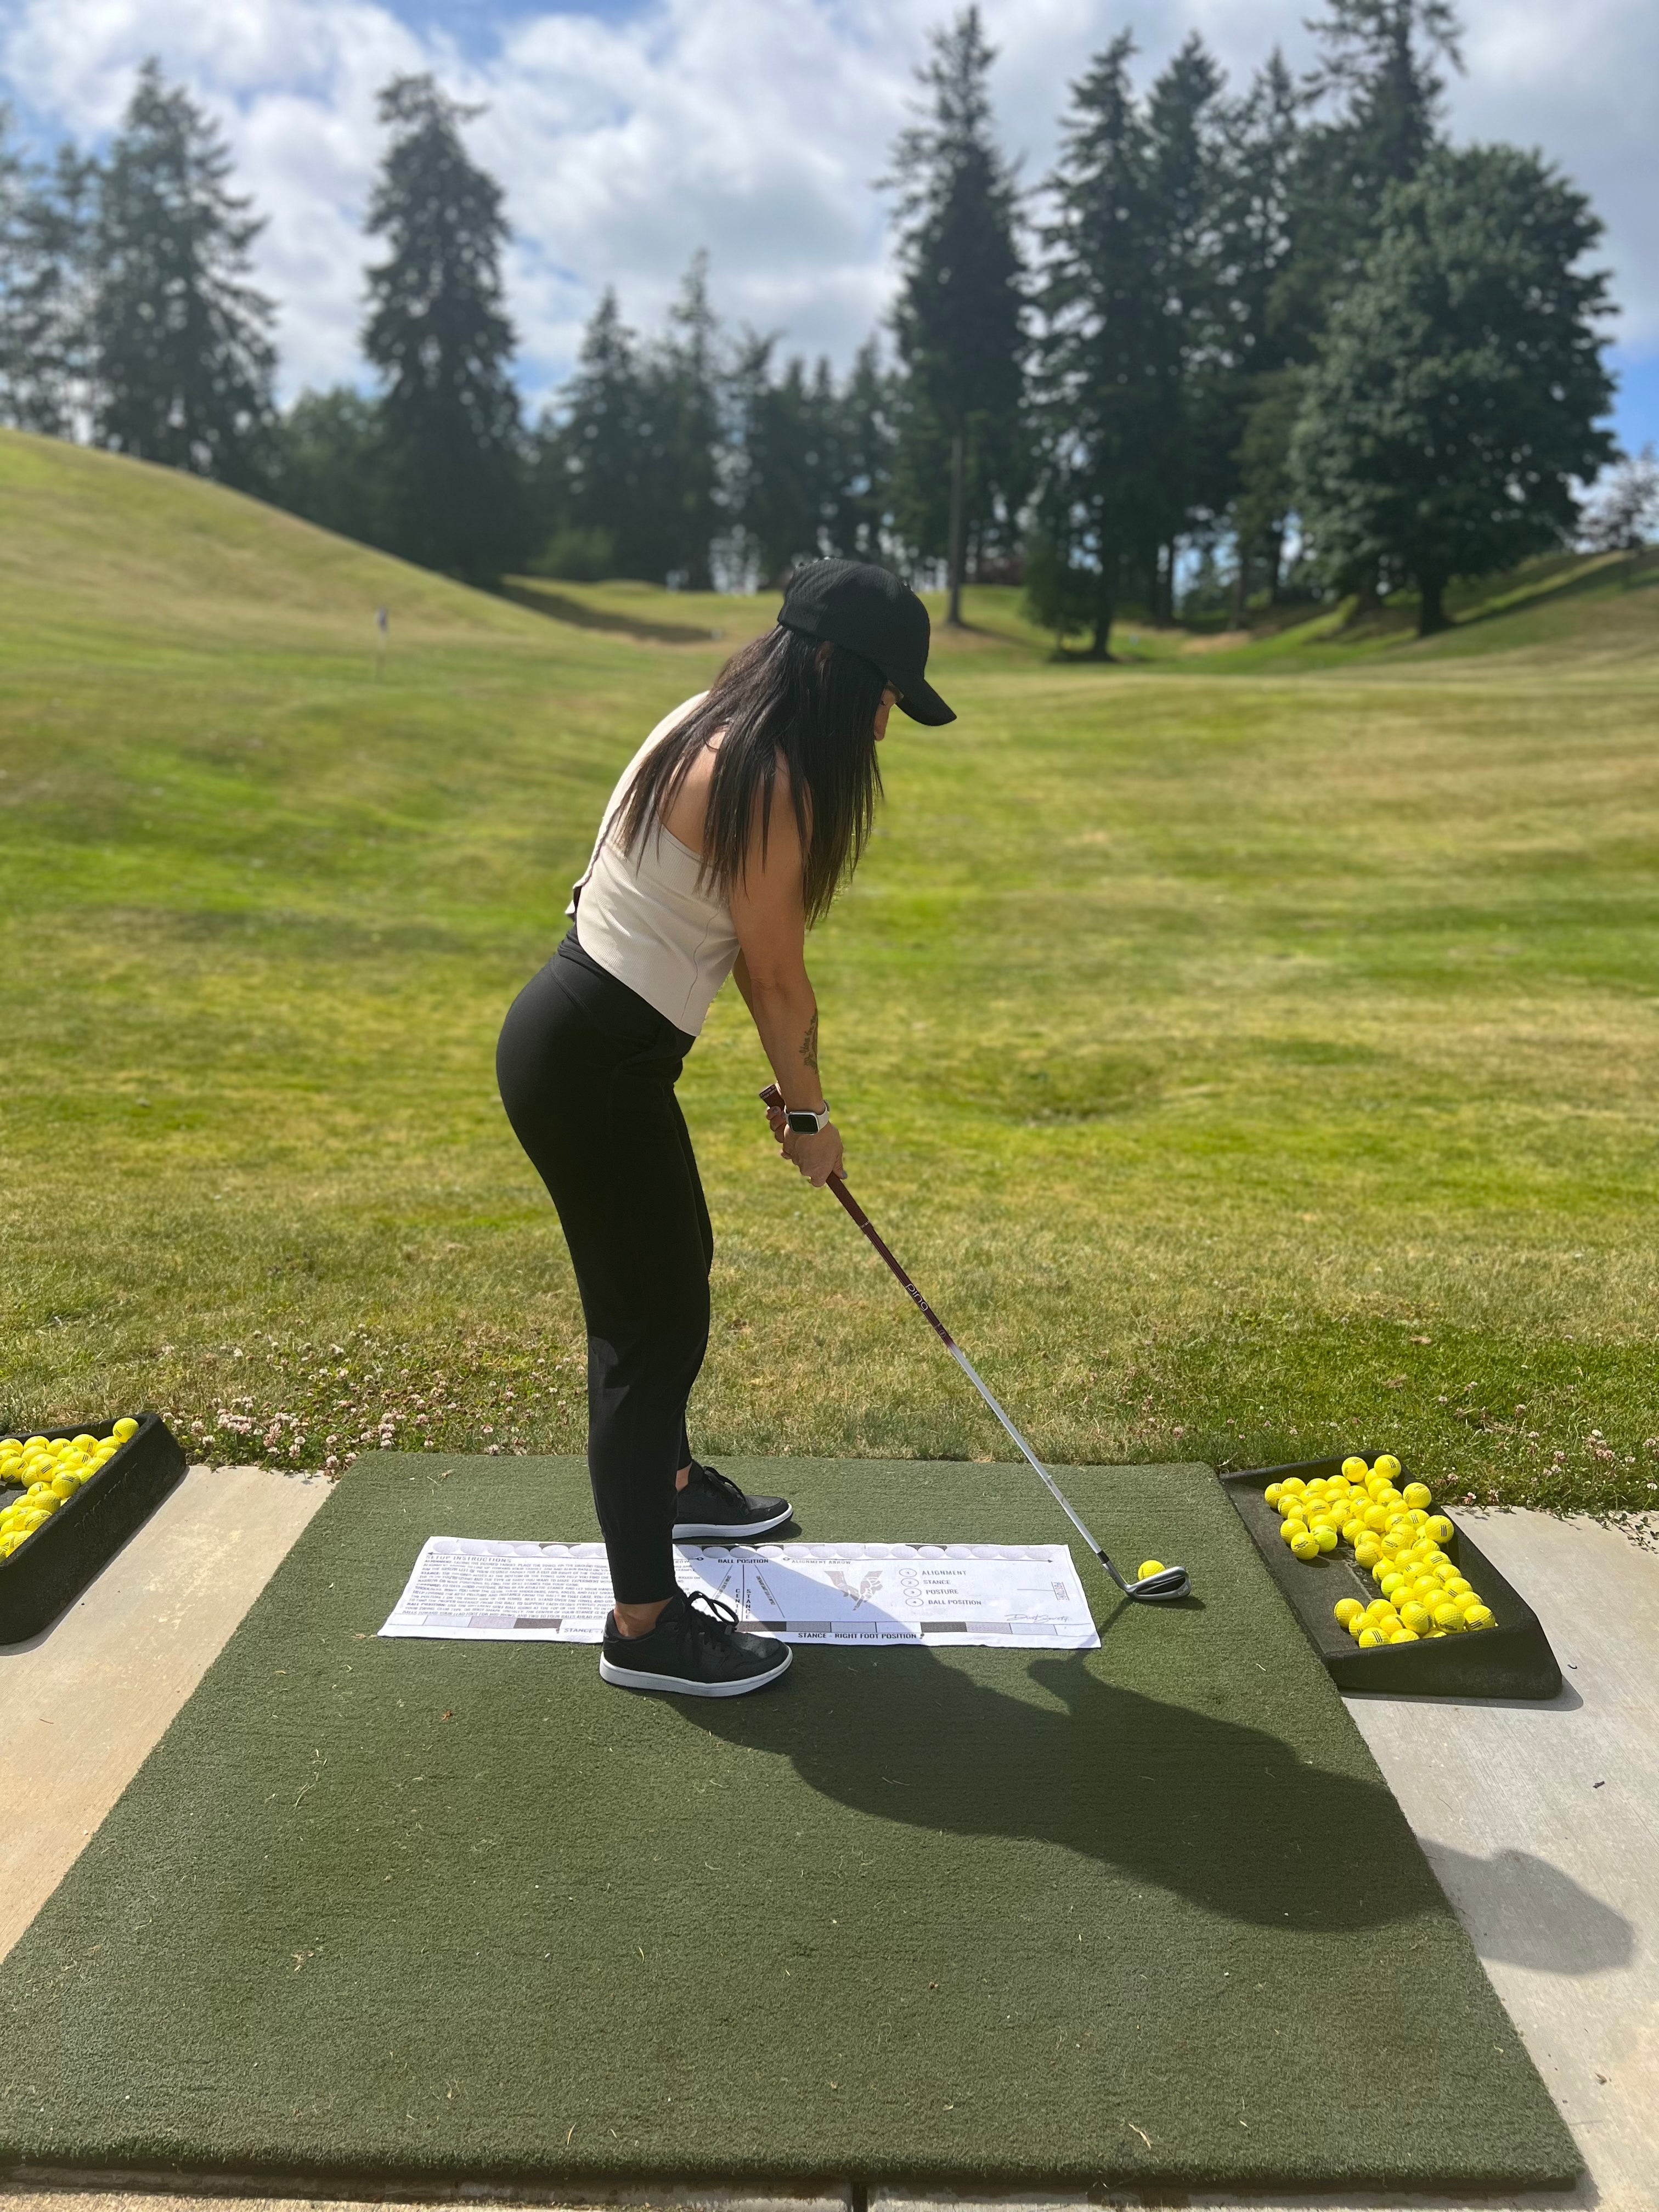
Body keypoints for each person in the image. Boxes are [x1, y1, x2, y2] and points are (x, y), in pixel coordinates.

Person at [496, 561, 955, 1698]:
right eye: (889, 691)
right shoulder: (767, 777)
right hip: (591, 1064)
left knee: (676, 1275)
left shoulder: (708, 721)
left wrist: (790, 1090)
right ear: (839, 674)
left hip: (586, 1046)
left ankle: (671, 1485)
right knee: (644, 1331)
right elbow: (778, 979)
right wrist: (809, 1115)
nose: (891, 717)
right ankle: (644, 1626)